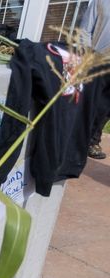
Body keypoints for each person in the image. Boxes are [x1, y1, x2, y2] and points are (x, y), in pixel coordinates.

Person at [81, 0, 110, 159]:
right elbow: (85, 30)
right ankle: (78, 138)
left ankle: (93, 140)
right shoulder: (101, 2)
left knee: (106, 107)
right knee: (90, 101)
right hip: (97, 59)